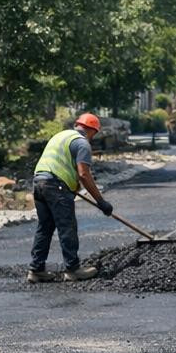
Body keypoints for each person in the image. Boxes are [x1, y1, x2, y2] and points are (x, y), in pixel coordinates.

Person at [28, 112, 114, 283]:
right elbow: (83, 174)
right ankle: (73, 269)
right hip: (55, 185)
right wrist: (101, 201)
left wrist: (72, 188)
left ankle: (36, 270)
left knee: (45, 227)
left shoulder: (61, 136)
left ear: (77, 125)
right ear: (92, 130)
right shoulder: (82, 143)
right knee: (67, 226)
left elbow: (66, 167)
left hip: (39, 182)